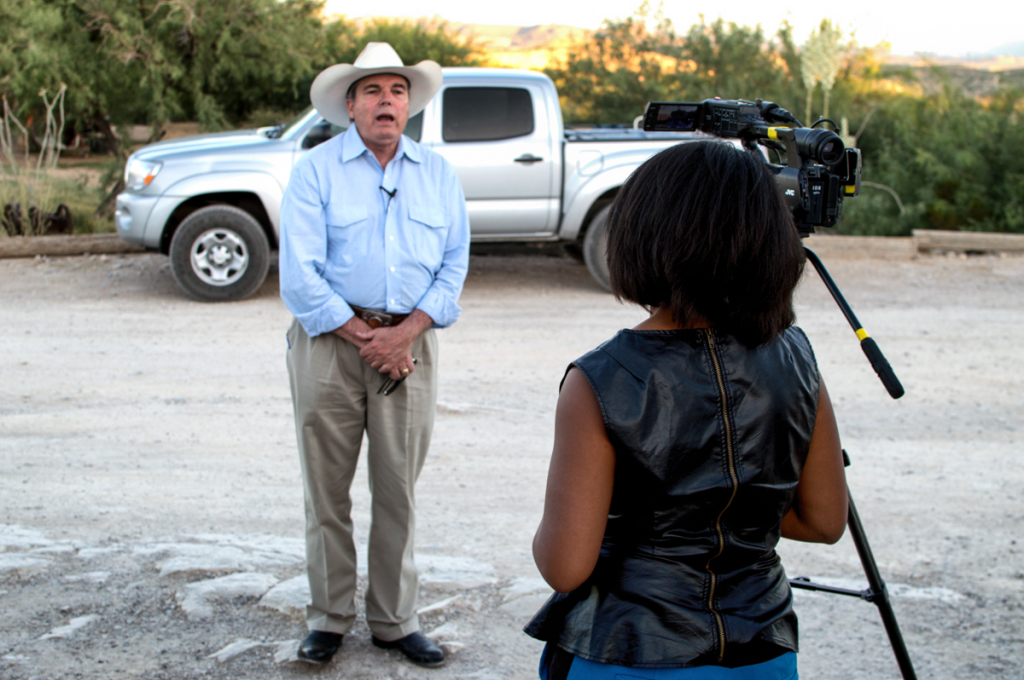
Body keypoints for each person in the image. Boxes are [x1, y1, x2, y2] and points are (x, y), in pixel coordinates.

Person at [525, 140, 849, 679]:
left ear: (640, 235)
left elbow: (564, 567)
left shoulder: (602, 378)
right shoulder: (798, 355)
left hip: (629, 650)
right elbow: (823, 520)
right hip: (764, 651)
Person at [279, 42, 470, 668]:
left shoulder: (438, 173)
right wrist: (370, 338)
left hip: (409, 346)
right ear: (351, 106)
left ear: (408, 105)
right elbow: (299, 275)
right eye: (372, 92)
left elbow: (453, 267)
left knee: (398, 491)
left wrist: (405, 331)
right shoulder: (315, 170)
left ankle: (394, 620)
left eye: (396, 91)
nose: (386, 102)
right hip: (330, 347)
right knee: (325, 490)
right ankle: (329, 618)